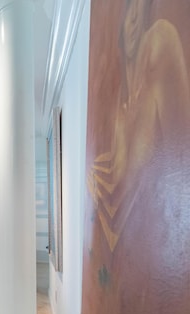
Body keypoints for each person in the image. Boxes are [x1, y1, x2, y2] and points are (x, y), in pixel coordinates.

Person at [86, 0, 190, 251]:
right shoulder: (120, 112)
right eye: (128, 8)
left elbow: (180, 156)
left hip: (159, 246)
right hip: (133, 253)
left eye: (139, 8)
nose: (132, 19)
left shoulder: (160, 41)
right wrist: (96, 178)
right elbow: (121, 189)